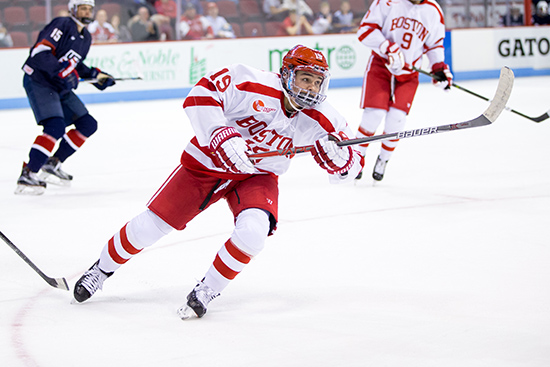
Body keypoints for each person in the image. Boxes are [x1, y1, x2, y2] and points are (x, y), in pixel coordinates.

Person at [72, 45, 363, 320]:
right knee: (150, 227)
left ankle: (207, 289)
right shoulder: (252, 83)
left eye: (316, 82)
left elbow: (353, 164)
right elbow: (201, 92)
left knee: (254, 232)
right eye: (305, 79)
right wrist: (219, 132)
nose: (311, 88)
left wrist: (339, 161)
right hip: (207, 164)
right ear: (287, 75)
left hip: (257, 176)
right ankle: (100, 270)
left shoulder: (324, 119)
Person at [16, 0, 116, 195]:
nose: (87, 11)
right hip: (40, 81)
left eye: (89, 8)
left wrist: (97, 76)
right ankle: (28, 173)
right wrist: (60, 71)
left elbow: (74, 65)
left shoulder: (86, 37)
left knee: (88, 124)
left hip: (58, 84)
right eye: (83, 8)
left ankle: (52, 164)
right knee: (55, 127)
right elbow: (40, 52)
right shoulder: (61, 24)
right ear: (73, 10)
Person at [354, 0, 451, 181]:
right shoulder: (388, 1)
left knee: (396, 120)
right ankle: (357, 157)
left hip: (409, 75)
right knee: (373, 115)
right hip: (381, 66)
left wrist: (439, 68)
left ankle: (384, 159)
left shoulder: (433, 11)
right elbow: (365, 30)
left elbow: (434, 45)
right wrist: (387, 47)